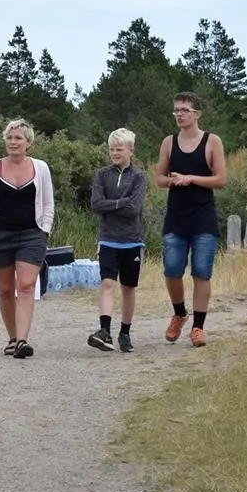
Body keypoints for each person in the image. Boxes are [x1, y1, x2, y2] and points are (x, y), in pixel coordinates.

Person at [154, 92, 228, 348]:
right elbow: (159, 179)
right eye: (176, 110)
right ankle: (179, 313)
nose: (179, 114)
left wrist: (191, 179)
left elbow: (220, 180)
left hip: (203, 217)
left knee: (201, 272)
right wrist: (173, 180)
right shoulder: (168, 143)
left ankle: (198, 327)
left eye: (184, 110)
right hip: (176, 217)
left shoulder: (212, 141)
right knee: (172, 269)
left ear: (197, 114)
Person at [0, 118, 55, 359]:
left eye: (18, 138)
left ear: (28, 143)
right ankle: (12, 337)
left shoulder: (40, 168)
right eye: (9, 138)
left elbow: (48, 203)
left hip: (31, 235)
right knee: (4, 288)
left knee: (26, 285)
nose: (13, 142)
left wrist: (44, 229)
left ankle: (23, 340)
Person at [87, 128, 147, 354]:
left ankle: (125, 332)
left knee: (128, 288)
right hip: (108, 239)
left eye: (119, 149)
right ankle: (104, 330)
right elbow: (96, 204)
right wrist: (120, 202)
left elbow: (134, 209)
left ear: (131, 150)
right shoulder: (102, 174)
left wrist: (111, 204)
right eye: (111, 149)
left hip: (131, 241)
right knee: (107, 284)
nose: (114, 153)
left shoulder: (139, 176)